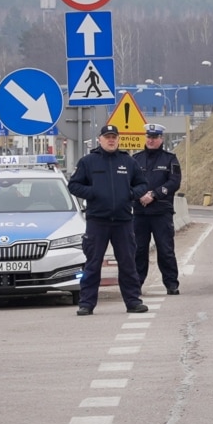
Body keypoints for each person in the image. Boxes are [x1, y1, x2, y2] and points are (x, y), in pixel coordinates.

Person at [68, 124, 151, 316]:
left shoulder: (128, 161)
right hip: (97, 221)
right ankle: (86, 304)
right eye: (107, 137)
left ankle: (133, 301)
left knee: (128, 263)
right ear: (100, 139)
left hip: (123, 220)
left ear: (118, 139)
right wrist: (93, 193)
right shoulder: (88, 162)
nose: (111, 140)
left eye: (114, 137)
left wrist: (130, 194)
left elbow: (143, 184)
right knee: (93, 263)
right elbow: (74, 185)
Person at [132, 123, 183, 295]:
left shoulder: (170, 159)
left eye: (154, 138)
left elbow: (174, 182)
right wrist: (140, 194)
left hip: (161, 212)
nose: (151, 140)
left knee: (165, 250)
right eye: (149, 137)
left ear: (161, 139)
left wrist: (154, 194)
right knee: (138, 250)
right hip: (140, 213)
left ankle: (171, 284)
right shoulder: (135, 159)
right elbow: (129, 182)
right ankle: (136, 284)